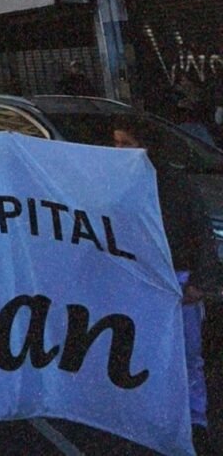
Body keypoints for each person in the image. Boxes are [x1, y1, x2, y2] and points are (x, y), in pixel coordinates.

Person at [113, 120, 220, 447]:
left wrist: (199, 282)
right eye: (115, 144)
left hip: (178, 281)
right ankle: (155, 417)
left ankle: (195, 420)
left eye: (126, 143)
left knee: (188, 356)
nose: (119, 151)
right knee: (144, 353)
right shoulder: (114, 187)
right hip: (140, 281)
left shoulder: (175, 186)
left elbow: (201, 234)